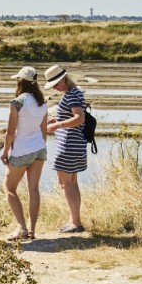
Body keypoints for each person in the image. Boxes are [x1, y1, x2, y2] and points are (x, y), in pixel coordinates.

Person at [0, 66, 48, 241]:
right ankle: (32, 230)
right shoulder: (42, 102)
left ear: (20, 81)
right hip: (39, 149)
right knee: (33, 189)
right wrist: (40, 146)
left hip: (21, 151)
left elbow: (10, 132)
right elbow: (44, 131)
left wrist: (5, 152)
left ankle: (21, 227)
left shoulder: (17, 103)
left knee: (9, 188)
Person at [43, 64, 86, 233]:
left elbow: (79, 118)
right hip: (75, 143)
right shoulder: (74, 92)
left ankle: (75, 223)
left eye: (56, 83)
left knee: (65, 183)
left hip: (68, 144)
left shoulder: (72, 94)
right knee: (72, 183)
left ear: (63, 78)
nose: (55, 87)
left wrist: (58, 124)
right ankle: (74, 220)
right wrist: (58, 119)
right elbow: (72, 115)